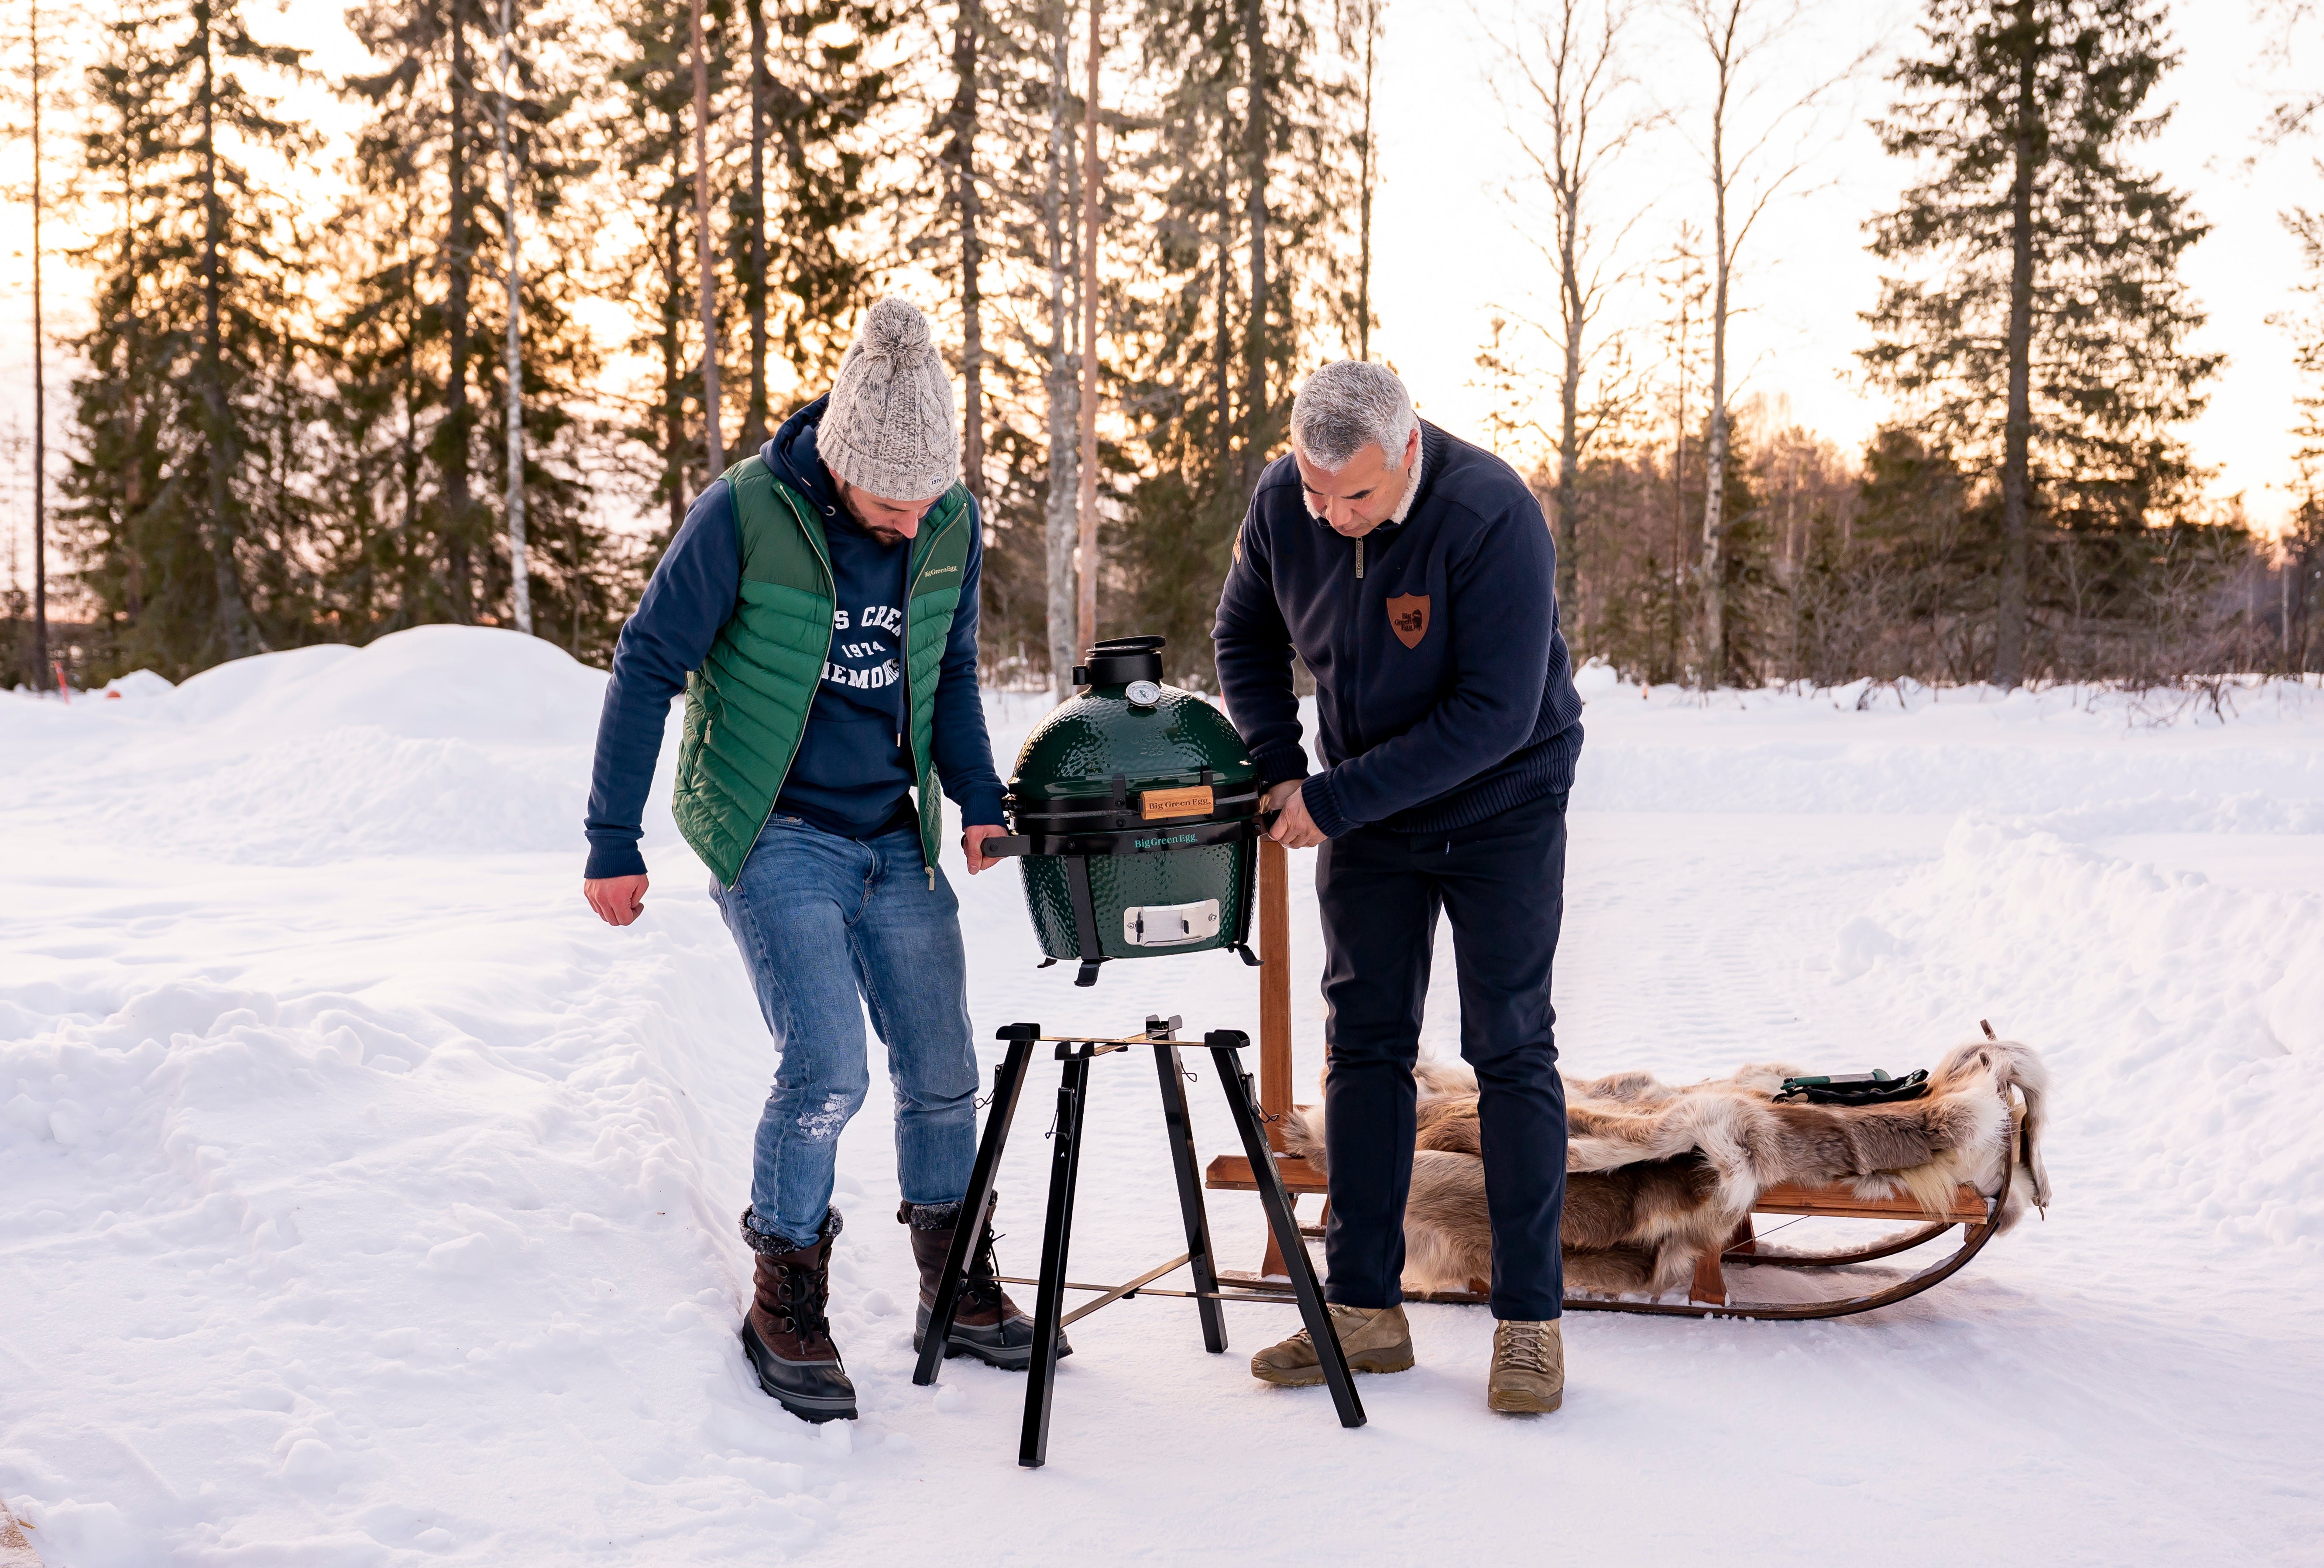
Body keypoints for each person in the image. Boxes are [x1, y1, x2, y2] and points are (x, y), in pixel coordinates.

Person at [580, 297, 1058, 1425]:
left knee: (942, 1066)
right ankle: (783, 1294)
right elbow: (647, 661)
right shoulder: (744, 514)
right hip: (773, 827)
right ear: (841, 464)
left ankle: (956, 1277)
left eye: (924, 500)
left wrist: (977, 802)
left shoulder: (947, 519)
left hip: (890, 829)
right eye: (889, 502)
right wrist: (613, 839)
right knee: (827, 1067)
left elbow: (945, 674)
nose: (906, 522)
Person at [1212, 360, 1584, 1415]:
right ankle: (1362, 1311)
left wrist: (1332, 802)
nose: (1329, 516)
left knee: (1507, 1045)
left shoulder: (1490, 513)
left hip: (1502, 802)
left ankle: (1529, 1324)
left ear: (1407, 452)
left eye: (1356, 497)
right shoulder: (1287, 501)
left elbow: (1495, 715)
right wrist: (1280, 765)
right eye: (1314, 491)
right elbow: (1245, 633)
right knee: (1364, 1044)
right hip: (1367, 805)